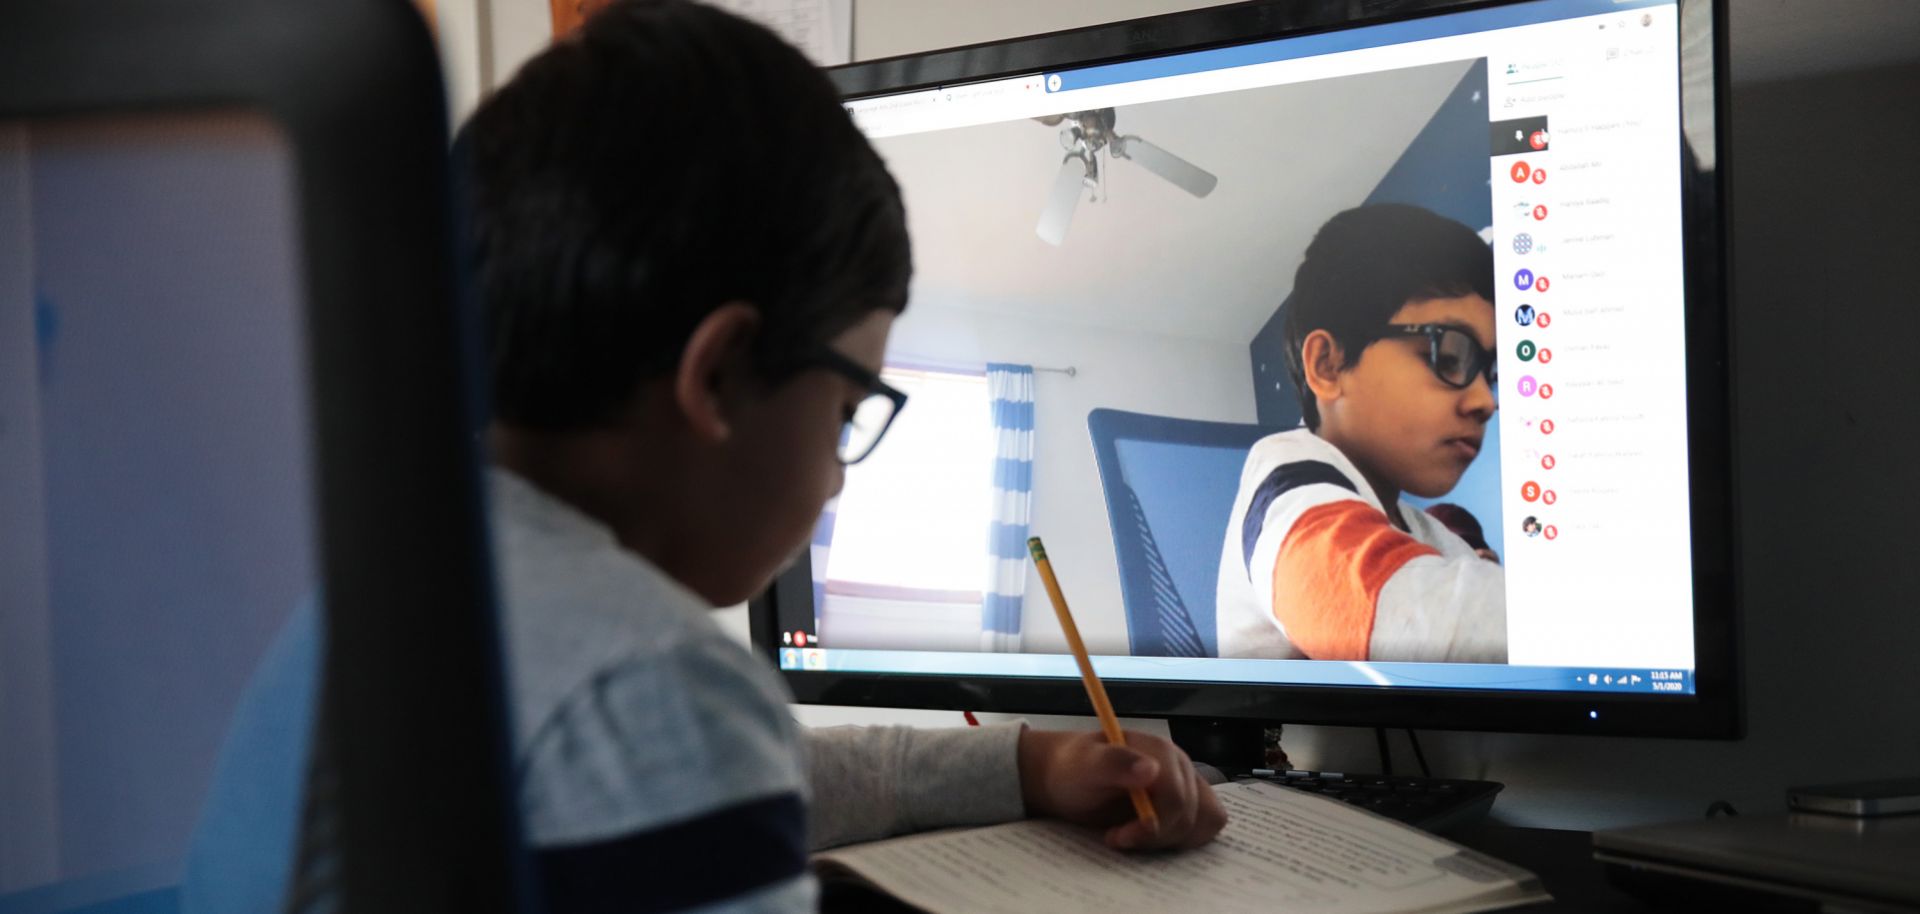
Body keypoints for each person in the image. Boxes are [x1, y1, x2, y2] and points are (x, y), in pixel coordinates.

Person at [181, 3, 1223, 913]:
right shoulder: (648, 681)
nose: (837, 474)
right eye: (848, 408)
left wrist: (1028, 759)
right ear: (717, 373)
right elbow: (686, 736)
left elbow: (772, 767)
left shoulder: (397, 582)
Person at [1215, 204, 1507, 663]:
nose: (1485, 401)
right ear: (1329, 365)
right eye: (1449, 356)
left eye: (1489, 373)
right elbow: (1402, 618)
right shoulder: (1288, 481)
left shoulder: (1428, 533)